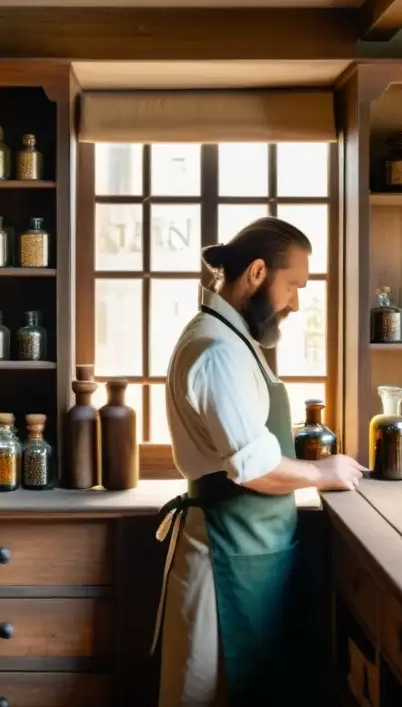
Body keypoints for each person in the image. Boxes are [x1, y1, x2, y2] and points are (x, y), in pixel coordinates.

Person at [154, 217, 367, 706]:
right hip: (224, 561)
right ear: (255, 273)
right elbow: (254, 468)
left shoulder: (232, 337)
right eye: (292, 285)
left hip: (251, 554)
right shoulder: (216, 351)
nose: (295, 302)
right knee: (210, 690)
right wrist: (322, 472)